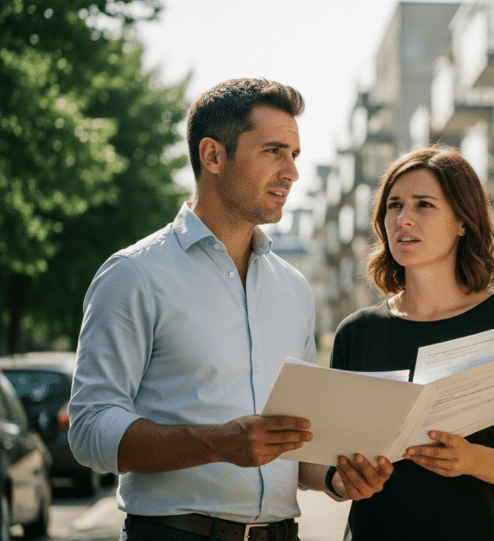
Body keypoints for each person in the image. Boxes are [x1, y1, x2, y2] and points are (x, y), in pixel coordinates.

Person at [69, 78, 391, 541]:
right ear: (213, 156)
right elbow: (89, 428)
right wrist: (217, 443)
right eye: (273, 151)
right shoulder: (134, 275)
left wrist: (338, 479)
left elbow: (296, 447)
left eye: (294, 155)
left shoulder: (293, 289)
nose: (291, 172)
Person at [331, 145, 494, 540]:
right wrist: (340, 481)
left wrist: (471, 460)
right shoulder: (357, 332)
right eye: (393, 206)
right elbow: (323, 458)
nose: (403, 219)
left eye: (424, 205)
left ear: (462, 222)